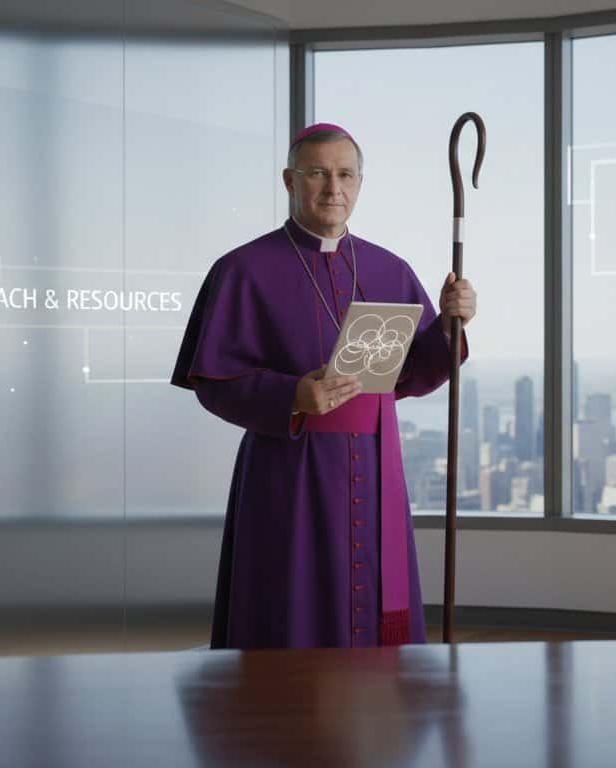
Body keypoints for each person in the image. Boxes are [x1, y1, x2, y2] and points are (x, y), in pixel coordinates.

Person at [170, 122, 476, 649]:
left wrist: (452, 322)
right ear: (289, 180)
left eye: (345, 174)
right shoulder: (242, 269)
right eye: (317, 173)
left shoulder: (389, 267)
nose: (334, 188)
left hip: (377, 465)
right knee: (290, 605)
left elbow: (417, 369)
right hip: (290, 470)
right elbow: (214, 382)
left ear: (359, 183)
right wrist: (290, 395)